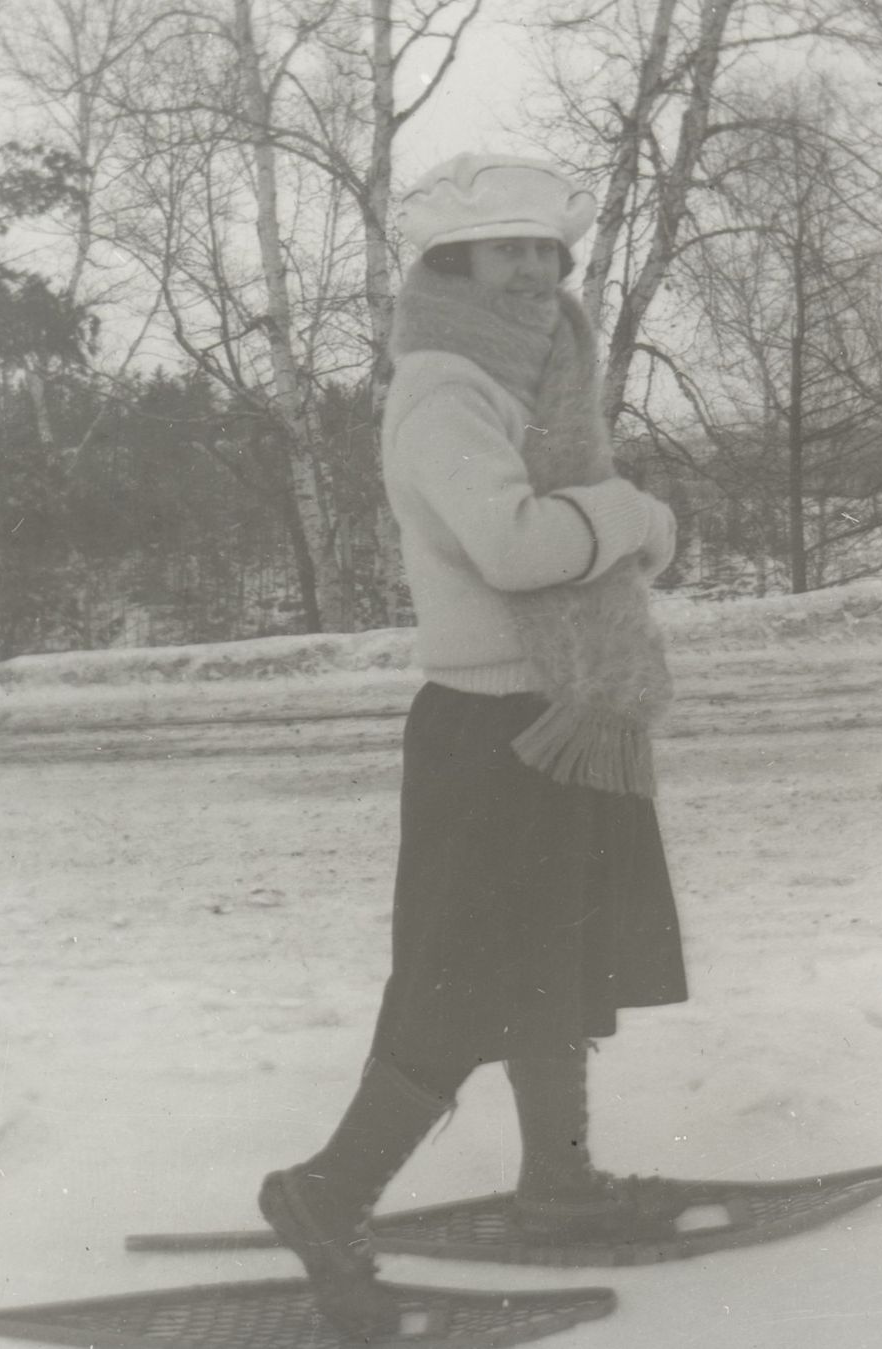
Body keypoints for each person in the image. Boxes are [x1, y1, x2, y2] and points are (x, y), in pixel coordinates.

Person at [258, 152, 689, 1339]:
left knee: (552, 965)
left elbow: (553, 532)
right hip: (493, 728)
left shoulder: (535, 383)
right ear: (450, 265)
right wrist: (636, 516)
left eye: (546, 253)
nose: (532, 273)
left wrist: (606, 522)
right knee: (458, 986)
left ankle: (557, 1185)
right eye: (506, 251)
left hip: (555, 717)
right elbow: (510, 546)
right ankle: (323, 1192)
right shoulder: (446, 386)